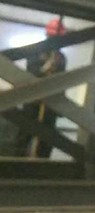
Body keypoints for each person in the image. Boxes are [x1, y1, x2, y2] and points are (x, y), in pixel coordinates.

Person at [16, 18, 68, 158]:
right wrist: (45, 68)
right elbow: (30, 74)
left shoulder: (61, 57)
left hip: (51, 104)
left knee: (47, 137)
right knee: (25, 133)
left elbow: (63, 81)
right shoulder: (35, 52)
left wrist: (60, 105)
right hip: (33, 101)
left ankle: (43, 162)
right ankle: (17, 161)